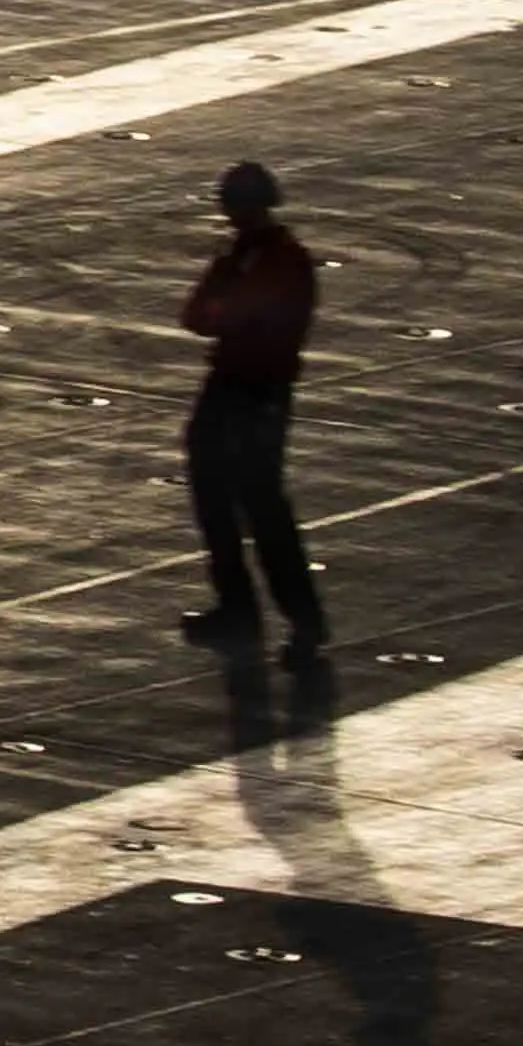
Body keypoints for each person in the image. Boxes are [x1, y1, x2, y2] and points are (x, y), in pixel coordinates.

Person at [177, 160, 327, 668]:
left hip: (261, 389)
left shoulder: (284, 260)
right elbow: (197, 315)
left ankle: (304, 620)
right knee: (214, 497)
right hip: (230, 382)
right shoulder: (238, 256)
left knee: (264, 507)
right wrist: (226, 302)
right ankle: (237, 609)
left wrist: (227, 307)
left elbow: (241, 316)